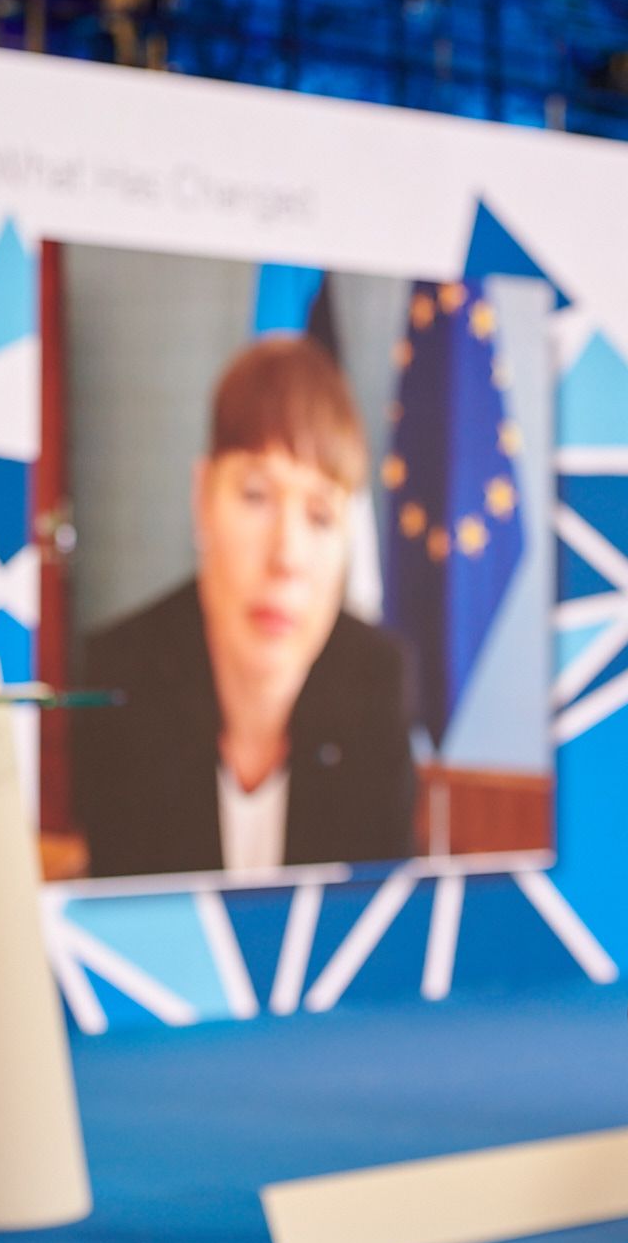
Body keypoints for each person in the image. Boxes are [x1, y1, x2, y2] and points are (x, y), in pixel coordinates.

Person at [72, 336, 417, 877]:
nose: (287, 556)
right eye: (256, 495)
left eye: (320, 515)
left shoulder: (378, 681)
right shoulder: (119, 676)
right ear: (202, 497)